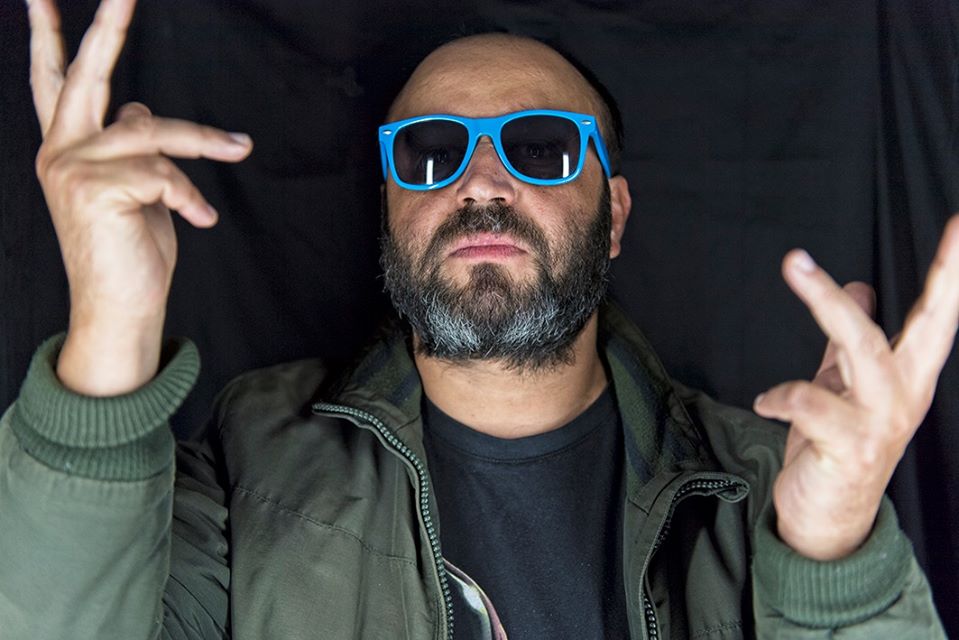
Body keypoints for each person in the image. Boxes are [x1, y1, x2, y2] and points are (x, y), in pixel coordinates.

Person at [1, 0, 954, 638]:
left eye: (540, 147)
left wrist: (832, 556)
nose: (481, 183)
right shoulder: (250, 461)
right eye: (430, 150)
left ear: (614, 216)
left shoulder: (761, 493)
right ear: (389, 206)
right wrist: (111, 325)